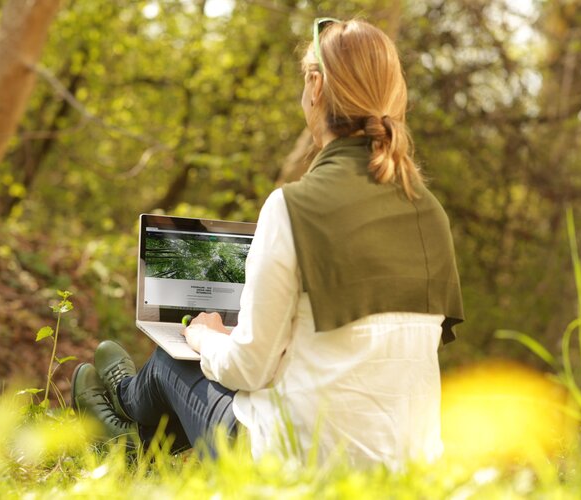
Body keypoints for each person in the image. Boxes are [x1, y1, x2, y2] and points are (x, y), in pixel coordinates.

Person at [71, 17, 463, 469]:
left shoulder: (294, 207)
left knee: (172, 359)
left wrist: (204, 337)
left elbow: (247, 371)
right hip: (407, 469)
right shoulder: (429, 210)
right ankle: (129, 440)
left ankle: (120, 415)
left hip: (295, 465)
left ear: (315, 87)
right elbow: (372, 354)